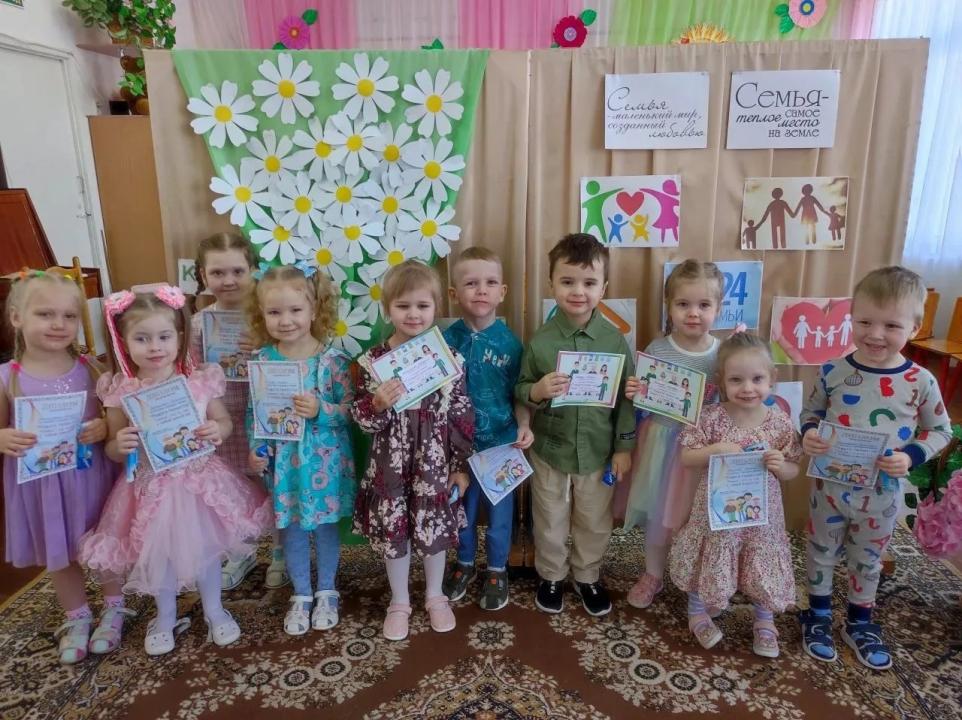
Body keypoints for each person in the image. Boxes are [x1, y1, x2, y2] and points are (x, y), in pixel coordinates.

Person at [78, 286, 271, 656]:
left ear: (179, 337)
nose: (155, 347)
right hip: (151, 488)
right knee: (160, 556)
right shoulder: (122, 390)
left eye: (164, 337)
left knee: (208, 550)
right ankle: (164, 616)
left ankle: (215, 609)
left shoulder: (198, 380)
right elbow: (113, 448)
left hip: (199, 482)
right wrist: (121, 444)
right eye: (142, 338)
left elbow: (223, 421)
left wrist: (217, 430)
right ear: (124, 341)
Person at [799, 266, 952, 671]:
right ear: (851, 317)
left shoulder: (921, 381)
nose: (875, 334)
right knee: (821, 552)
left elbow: (940, 430)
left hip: (881, 494)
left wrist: (912, 455)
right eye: (865, 321)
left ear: (915, 328)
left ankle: (859, 622)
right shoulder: (833, 370)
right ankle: (817, 616)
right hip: (829, 488)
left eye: (891, 325)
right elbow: (810, 413)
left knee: (868, 559)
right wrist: (809, 434)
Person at [0, 271, 124, 664]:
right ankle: (77, 616)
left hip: (91, 477)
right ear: (16, 317)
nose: (59, 324)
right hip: (42, 486)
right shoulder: (6, 378)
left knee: (103, 543)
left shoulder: (91, 369)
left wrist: (103, 426)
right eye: (45, 314)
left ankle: (115, 606)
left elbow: (113, 418)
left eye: (69, 316)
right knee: (60, 551)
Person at [353, 260, 475, 641]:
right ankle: (400, 600)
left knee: (432, 526)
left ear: (436, 307)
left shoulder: (448, 358)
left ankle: (435, 594)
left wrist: (460, 465)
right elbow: (362, 419)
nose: (413, 314)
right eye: (403, 306)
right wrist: (377, 404)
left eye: (423, 305)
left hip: (433, 464)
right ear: (387, 308)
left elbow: (461, 414)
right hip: (390, 463)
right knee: (397, 532)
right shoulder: (373, 362)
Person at [515, 233, 635, 617]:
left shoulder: (615, 342)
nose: (578, 292)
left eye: (589, 282)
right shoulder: (540, 341)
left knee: (594, 519)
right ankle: (551, 575)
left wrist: (623, 447)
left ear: (604, 288)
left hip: (598, 450)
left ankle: (587, 576)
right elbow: (520, 388)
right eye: (567, 281)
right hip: (550, 447)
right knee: (549, 517)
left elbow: (626, 400)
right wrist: (536, 390)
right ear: (551, 284)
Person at [669, 332, 801, 657]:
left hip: (762, 518)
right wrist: (714, 450)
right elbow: (687, 457)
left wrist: (780, 465)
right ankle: (698, 611)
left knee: (761, 561)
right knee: (709, 556)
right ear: (722, 381)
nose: (747, 388)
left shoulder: (780, 423)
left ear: (772, 379)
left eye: (757, 379)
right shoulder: (710, 418)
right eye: (736, 380)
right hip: (716, 512)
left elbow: (793, 469)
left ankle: (764, 620)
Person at [247, 264, 356, 635]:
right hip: (284, 466)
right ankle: (301, 593)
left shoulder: (332, 361)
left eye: (295, 310)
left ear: (314, 310)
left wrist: (320, 410)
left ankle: (326, 589)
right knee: (291, 529)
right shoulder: (262, 362)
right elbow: (255, 414)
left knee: (324, 528)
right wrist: (256, 449)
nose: (286, 320)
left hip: (323, 464)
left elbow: (350, 411)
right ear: (262, 314)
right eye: (274, 312)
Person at [621, 260, 723, 611]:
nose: (693, 313)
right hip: (660, 445)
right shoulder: (658, 348)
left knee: (696, 519)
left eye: (704, 305)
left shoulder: (721, 354)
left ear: (718, 308)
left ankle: (697, 580)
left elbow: (730, 402)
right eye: (683, 304)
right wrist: (635, 391)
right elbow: (643, 395)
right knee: (657, 515)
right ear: (669, 306)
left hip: (702, 451)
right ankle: (653, 574)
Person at [189, 232, 288, 591]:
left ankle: (280, 551)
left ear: (254, 271)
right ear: (203, 275)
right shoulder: (199, 323)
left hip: (265, 414)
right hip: (223, 418)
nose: (228, 280)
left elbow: (292, 356)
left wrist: (266, 343)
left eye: (237, 271)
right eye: (217, 273)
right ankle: (241, 550)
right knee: (231, 487)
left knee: (272, 481)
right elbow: (189, 372)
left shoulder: (270, 318)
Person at [441, 247, 533, 611]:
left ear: (502, 292)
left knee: (499, 513)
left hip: (500, 445)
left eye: (490, 282)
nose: (481, 290)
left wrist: (524, 424)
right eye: (471, 283)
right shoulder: (445, 341)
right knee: (460, 508)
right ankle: (463, 562)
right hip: (458, 447)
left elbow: (520, 392)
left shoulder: (511, 343)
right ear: (454, 294)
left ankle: (497, 568)